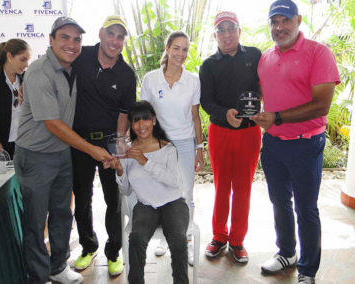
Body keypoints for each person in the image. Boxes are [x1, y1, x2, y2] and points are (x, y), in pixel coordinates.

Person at [14, 16, 112, 284]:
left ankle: (57, 266)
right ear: (51, 40)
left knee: (62, 213)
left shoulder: (75, 63)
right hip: (35, 155)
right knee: (35, 220)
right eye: (64, 38)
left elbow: (105, 50)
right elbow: (52, 124)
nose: (72, 44)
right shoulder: (38, 72)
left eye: (77, 39)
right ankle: (37, 275)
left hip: (61, 153)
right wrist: (92, 149)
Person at [250, 1, 340, 283]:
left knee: (306, 208)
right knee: (279, 202)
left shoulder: (318, 52)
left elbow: (322, 105)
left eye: (285, 21)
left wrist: (277, 116)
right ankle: (286, 252)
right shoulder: (265, 58)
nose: (279, 27)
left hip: (305, 144)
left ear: (298, 20)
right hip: (273, 144)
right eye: (274, 22)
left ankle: (307, 270)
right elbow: (267, 96)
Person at [71, 15, 136, 275]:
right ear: (100, 34)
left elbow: (124, 113)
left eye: (120, 36)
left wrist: (119, 143)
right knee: (83, 197)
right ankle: (88, 246)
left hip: (110, 142)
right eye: (111, 34)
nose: (115, 41)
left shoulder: (127, 73)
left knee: (114, 200)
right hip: (80, 141)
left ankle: (113, 251)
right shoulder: (80, 57)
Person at [199, 11, 262, 263]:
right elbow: (205, 101)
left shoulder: (256, 55)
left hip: (249, 132)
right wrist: (225, 114)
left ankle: (237, 240)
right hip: (220, 132)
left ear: (239, 31)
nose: (226, 34)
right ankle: (219, 236)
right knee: (222, 186)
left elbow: (265, 84)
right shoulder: (209, 64)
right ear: (215, 35)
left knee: (243, 188)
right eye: (221, 30)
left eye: (231, 28)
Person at [106, 100, 189, 284]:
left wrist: (144, 161)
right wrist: (119, 170)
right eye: (136, 121)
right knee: (136, 239)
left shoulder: (167, 147)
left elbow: (174, 182)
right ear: (131, 125)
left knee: (178, 241)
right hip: (146, 206)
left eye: (145, 119)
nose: (141, 125)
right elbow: (126, 190)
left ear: (153, 120)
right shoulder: (127, 152)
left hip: (173, 203)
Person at [139, 31, 204, 266]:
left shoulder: (193, 80)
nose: (181, 54)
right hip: (159, 144)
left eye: (185, 49)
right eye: (176, 48)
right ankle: (168, 237)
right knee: (163, 190)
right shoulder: (150, 79)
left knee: (186, 193)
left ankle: (185, 240)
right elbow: (145, 115)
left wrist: (199, 146)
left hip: (185, 143)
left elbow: (195, 117)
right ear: (167, 48)